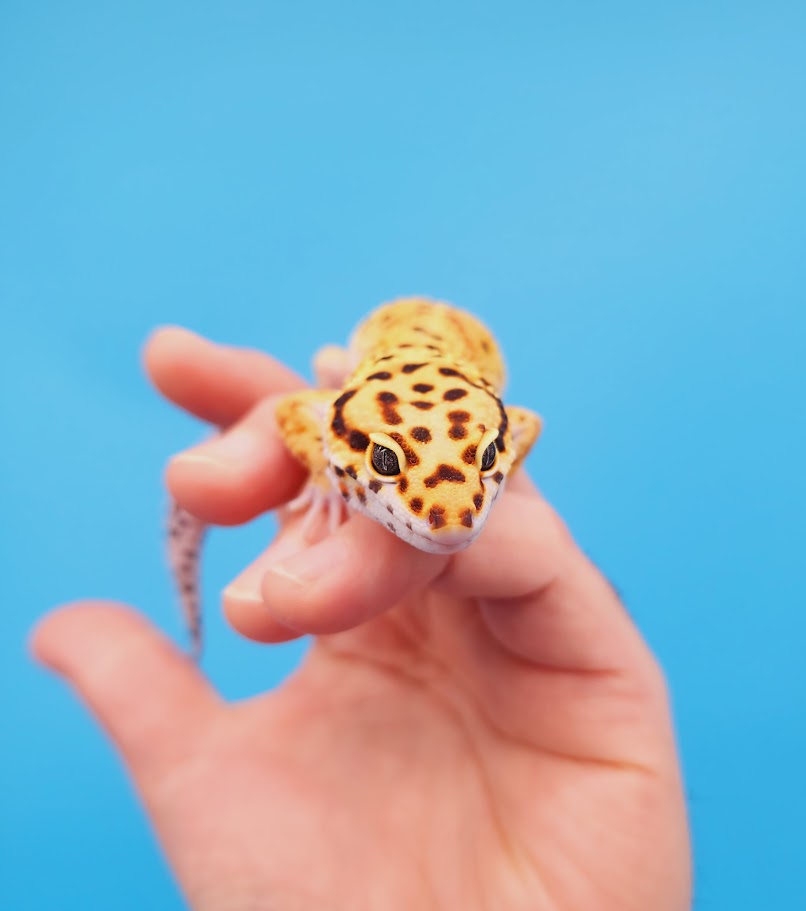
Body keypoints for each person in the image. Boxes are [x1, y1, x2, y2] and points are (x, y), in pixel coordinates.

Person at [31, 327, 692, 910]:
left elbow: (520, 425)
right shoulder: (334, 412)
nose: (451, 516)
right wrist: (324, 472)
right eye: (383, 466)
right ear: (343, 432)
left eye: (483, 464)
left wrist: (478, 464)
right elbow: (297, 410)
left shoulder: (489, 431)